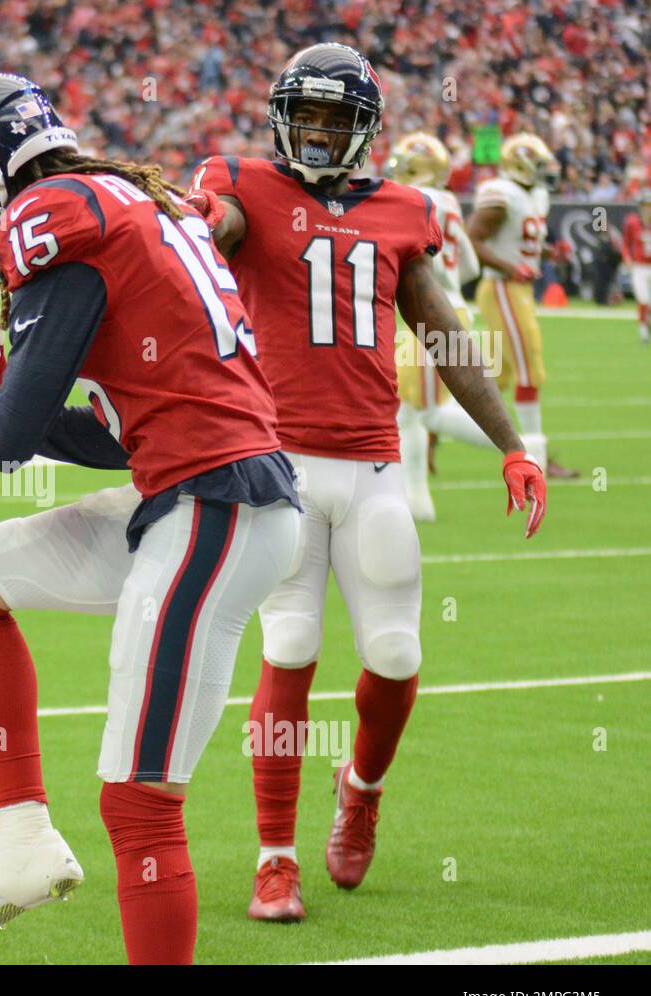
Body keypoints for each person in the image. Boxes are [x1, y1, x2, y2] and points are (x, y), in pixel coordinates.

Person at [0, 74, 300, 964]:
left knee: (139, 802)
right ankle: (23, 838)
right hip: (195, 490)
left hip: (213, 511)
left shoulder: (52, 213)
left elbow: (3, 440)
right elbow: (120, 435)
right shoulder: (128, 200)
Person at [191, 43, 546, 922]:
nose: (314, 133)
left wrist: (511, 444)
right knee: (290, 645)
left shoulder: (403, 211)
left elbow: (447, 335)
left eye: (332, 119)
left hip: (373, 462)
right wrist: (207, 218)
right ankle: (275, 856)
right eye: (302, 116)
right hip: (278, 466)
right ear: (282, 117)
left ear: (364, 130)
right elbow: (225, 231)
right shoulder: (242, 185)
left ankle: (362, 787)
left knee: (395, 653)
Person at [385, 131, 495, 522]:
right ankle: (417, 503)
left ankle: (524, 448)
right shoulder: (448, 202)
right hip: (453, 306)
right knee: (409, 412)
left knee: (423, 410)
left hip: (432, 312)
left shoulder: (408, 200)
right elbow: (471, 267)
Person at [467, 132, 578, 478]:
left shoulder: (530, 197)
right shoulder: (503, 193)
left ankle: (431, 422)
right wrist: (510, 266)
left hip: (516, 289)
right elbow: (474, 237)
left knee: (500, 374)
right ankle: (537, 457)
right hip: (503, 287)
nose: (546, 172)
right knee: (530, 368)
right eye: (539, 165)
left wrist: (548, 253)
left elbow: (518, 241)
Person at [621, 189, 651, 342]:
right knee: (643, 298)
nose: (648, 209)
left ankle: (647, 324)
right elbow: (626, 244)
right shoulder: (633, 222)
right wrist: (627, 258)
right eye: (645, 206)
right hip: (639, 266)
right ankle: (643, 329)